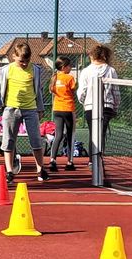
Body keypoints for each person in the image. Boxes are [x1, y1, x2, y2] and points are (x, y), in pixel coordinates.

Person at [1, 42, 49, 185]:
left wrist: (40, 108)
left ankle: (40, 169)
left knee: (36, 140)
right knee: (8, 140)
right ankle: (9, 171)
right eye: (21, 61)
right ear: (13, 56)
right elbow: (0, 88)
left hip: (30, 109)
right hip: (11, 108)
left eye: (27, 61)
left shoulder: (35, 69)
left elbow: (38, 90)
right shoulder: (6, 70)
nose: (24, 64)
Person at [76, 43, 118, 174]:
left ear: (91, 56)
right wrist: (115, 106)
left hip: (91, 107)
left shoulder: (86, 71)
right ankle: (96, 160)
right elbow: (116, 92)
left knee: (94, 134)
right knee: (101, 133)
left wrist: (84, 102)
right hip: (106, 107)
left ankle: (93, 161)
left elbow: (81, 92)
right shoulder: (111, 71)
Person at [46, 57, 78, 171]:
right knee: (70, 135)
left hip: (57, 109)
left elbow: (52, 90)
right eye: (69, 66)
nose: (70, 68)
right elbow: (74, 89)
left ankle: (52, 160)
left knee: (58, 135)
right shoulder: (69, 78)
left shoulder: (54, 78)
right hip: (68, 109)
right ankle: (69, 162)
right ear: (64, 67)